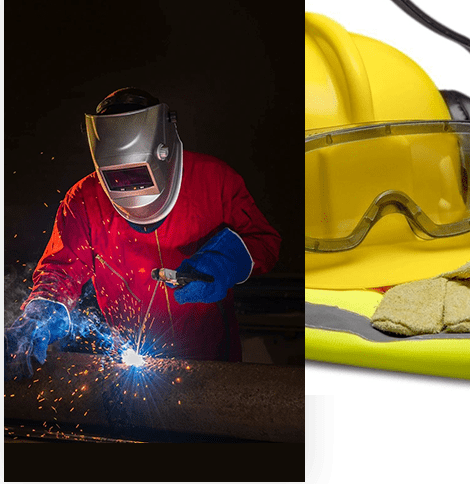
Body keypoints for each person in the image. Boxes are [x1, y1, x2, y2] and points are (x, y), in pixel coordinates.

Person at [5, 88, 281, 378]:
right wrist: (43, 311)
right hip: (131, 366)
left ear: (163, 153)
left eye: (138, 174)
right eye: (117, 178)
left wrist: (224, 261)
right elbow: (62, 270)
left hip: (212, 362)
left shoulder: (214, 179)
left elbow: (265, 242)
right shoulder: (84, 200)